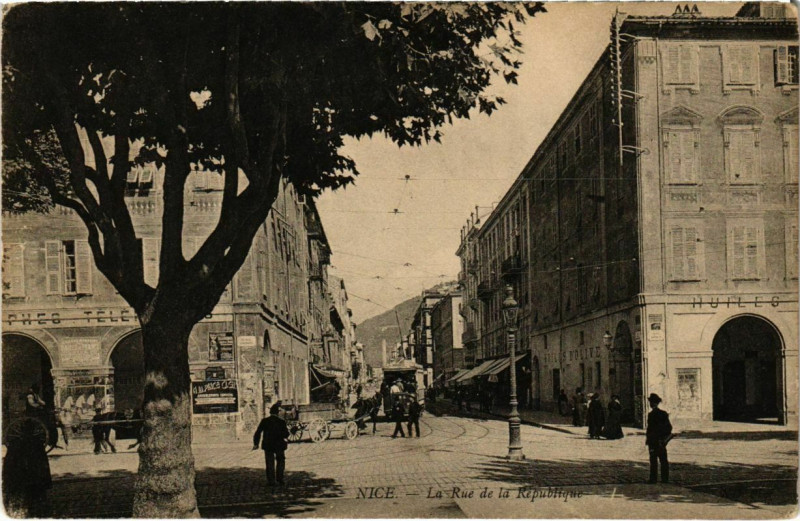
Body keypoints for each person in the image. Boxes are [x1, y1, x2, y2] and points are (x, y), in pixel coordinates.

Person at [2, 417, 52, 516]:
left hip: (20, 477)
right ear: (33, 430)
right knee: (35, 500)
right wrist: (46, 482)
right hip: (34, 479)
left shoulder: (14, 444)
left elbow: (8, 464)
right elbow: (44, 464)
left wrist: (7, 480)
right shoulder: (37, 444)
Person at [253, 402, 290, 487]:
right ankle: (280, 479)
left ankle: (271, 481)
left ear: (270, 413)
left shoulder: (265, 421)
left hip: (268, 445)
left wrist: (256, 444)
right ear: (277, 412)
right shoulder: (281, 422)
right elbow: (286, 434)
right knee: (280, 461)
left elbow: (258, 432)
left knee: (269, 463)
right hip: (279, 445)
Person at [646, 393, 672, 484]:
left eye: (652, 402)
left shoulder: (652, 415)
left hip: (654, 440)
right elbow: (669, 428)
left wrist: (649, 439)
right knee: (663, 460)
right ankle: (665, 479)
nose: (651, 404)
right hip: (661, 440)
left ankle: (653, 479)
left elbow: (650, 429)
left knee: (654, 460)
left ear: (654, 403)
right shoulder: (663, 414)